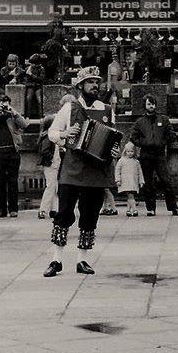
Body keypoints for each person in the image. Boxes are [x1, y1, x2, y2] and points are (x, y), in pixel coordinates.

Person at [44, 66, 121, 278]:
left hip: (96, 170)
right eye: (90, 82)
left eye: (97, 82)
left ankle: (82, 259)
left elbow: (113, 137)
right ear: (80, 86)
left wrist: (114, 149)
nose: (95, 85)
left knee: (90, 215)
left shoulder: (106, 109)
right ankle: (56, 259)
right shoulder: (69, 108)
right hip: (72, 168)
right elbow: (51, 132)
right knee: (64, 213)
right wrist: (65, 133)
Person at [129, 94, 178, 216]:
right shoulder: (140, 122)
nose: (151, 106)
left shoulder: (163, 119)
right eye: (149, 104)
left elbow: (171, 134)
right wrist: (145, 143)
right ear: (144, 105)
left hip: (159, 154)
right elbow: (133, 137)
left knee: (166, 181)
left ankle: (174, 207)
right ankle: (151, 208)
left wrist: (162, 142)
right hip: (146, 155)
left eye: (153, 103)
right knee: (148, 183)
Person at [0, 93, 29, 218]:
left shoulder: (13, 115)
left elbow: (24, 125)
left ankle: (13, 209)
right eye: (1, 103)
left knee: (13, 181)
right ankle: (0, 209)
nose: (4, 106)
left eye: (6, 103)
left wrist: (13, 113)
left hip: (13, 151)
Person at [38, 94, 76, 220]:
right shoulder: (47, 137)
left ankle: (53, 209)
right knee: (51, 186)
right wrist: (53, 159)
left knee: (54, 187)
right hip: (51, 163)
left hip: (55, 163)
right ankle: (43, 209)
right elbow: (44, 151)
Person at [115, 142, 145, 217]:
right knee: (130, 195)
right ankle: (135, 210)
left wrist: (141, 181)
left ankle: (128, 210)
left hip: (133, 181)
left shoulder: (136, 161)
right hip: (125, 181)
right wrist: (118, 180)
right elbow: (117, 171)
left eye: (132, 151)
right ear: (125, 151)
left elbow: (140, 172)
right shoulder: (121, 160)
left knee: (130, 196)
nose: (130, 153)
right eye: (128, 151)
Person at [23, 53, 47, 118]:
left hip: (38, 86)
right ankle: (27, 115)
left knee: (39, 99)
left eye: (33, 63)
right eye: (31, 63)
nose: (32, 65)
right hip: (30, 86)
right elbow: (23, 75)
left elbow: (41, 79)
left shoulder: (41, 69)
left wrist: (31, 75)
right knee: (28, 98)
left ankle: (40, 115)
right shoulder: (28, 68)